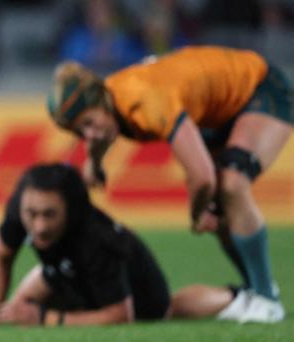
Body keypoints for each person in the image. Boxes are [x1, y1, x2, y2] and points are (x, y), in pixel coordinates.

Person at [48, 45, 291, 323]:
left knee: (231, 184)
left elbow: (202, 177)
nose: (90, 135)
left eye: (89, 123)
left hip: (260, 88)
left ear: (101, 102)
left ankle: (267, 300)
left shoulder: (144, 101)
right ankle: (257, 288)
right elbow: (100, 131)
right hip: (217, 112)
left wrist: (196, 214)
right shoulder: (108, 102)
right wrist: (95, 162)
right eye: (81, 132)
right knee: (218, 203)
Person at [0, 163, 238, 328]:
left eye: (50, 215)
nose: (39, 226)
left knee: (165, 310)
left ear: (70, 210)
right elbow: (0, 257)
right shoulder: (22, 209)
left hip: (132, 289)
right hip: (64, 270)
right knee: (17, 308)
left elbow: (121, 315)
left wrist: (47, 319)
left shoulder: (98, 240)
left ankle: (235, 297)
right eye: (32, 214)